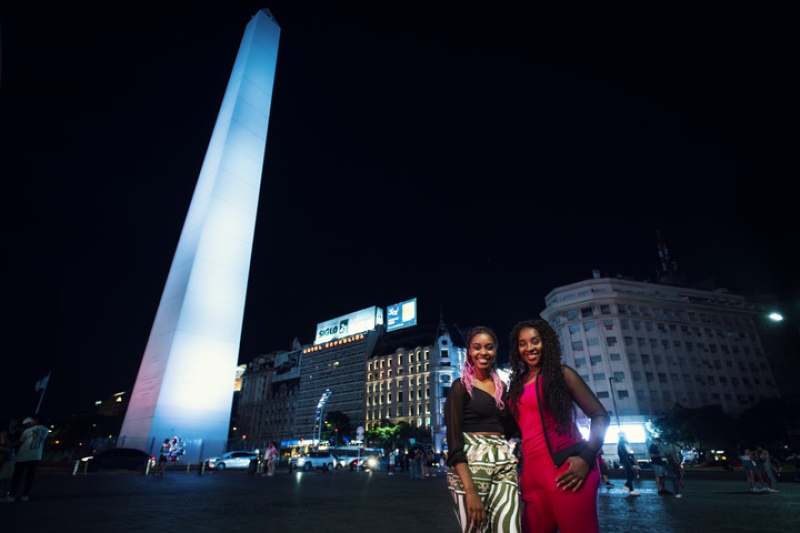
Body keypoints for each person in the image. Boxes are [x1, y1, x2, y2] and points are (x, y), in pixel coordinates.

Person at [507, 318, 610, 533]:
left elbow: (600, 416)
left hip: (568, 473)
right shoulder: (516, 385)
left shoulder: (562, 374)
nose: (529, 348)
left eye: (535, 341)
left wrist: (586, 458)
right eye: (522, 343)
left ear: (546, 342)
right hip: (532, 478)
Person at [445, 326, 520, 532]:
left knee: (511, 528)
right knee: (477, 529)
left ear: (495, 351)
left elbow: (509, 429)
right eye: (477, 347)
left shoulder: (502, 387)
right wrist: (470, 490)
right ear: (469, 351)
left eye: (489, 347)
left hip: (503, 461)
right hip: (471, 464)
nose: (483, 353)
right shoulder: (460, 386)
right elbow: (454, 441)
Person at [2, 415, 49, 503]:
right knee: (29, 477)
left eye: (31, 421)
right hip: (36, 455)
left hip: (23, 455)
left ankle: (12, 496)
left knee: (17, 476)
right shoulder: (45, 430)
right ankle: (25, 495)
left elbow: (20, 442)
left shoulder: (27, 431)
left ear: (35, 421)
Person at [0, 419, 20, 497]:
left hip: (9, 454)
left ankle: (3, 491)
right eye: (12, 422)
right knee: (5, 474)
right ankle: (3, 491)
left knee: (6, 475)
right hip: (5, 453)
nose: (14, 424)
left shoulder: (17, 433)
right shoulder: (4, 432)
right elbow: (3, 442)